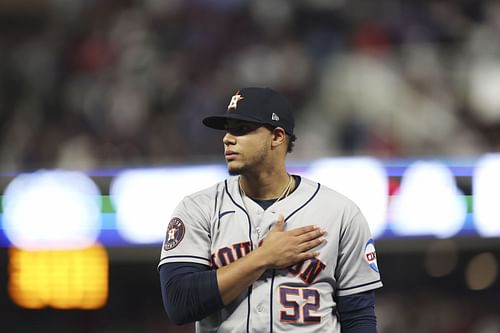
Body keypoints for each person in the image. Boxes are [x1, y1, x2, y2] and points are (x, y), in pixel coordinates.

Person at [158, 87, 383, 332]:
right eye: (227, 129)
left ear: (277, 136)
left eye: (241, 129)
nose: (227, 138)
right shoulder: (197, 209)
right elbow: (179, 303)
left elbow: (358, 317)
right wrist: (264, 257)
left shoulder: (340, 212)